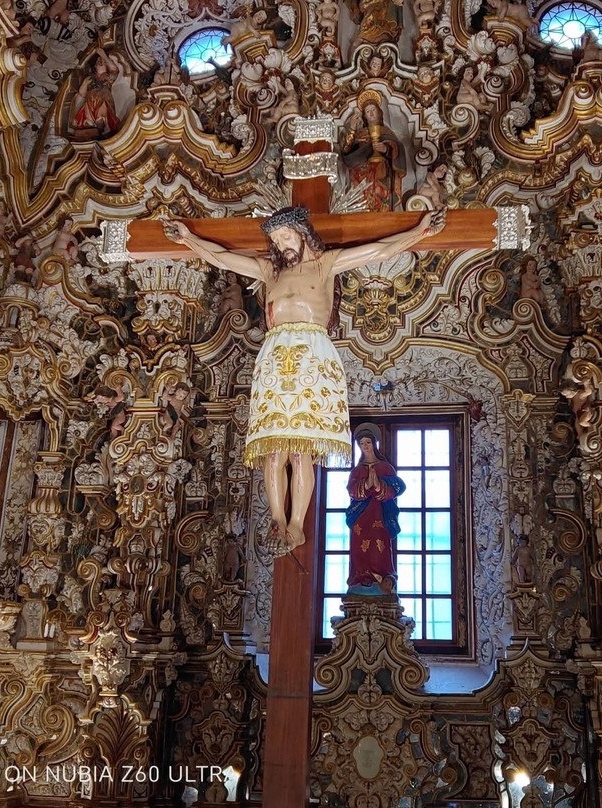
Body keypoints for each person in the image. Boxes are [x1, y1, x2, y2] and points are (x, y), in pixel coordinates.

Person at [162, 205, 445, 556]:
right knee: (273, 452)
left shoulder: (325, 264)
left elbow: (379, 250)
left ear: (303, 234)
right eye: (276, 240)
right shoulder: (269, 270)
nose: (281, 245)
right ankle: (277, 519)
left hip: (312, 358)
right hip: (275, 361)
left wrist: (419, 231)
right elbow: (222, 257)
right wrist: (188, 239)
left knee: (300, 453)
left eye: (286, 237)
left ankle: (296, 525)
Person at [346, 426, 406, 594]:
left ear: (374, 443)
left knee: (380, 546)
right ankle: (360, 578)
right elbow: (351, 491)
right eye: (361, 443)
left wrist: (379, 486)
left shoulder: (386, 468)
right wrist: (366, 485)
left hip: (380, 514)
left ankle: (383, 578)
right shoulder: (357, 471)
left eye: (368, 442)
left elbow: (396, 488)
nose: (365, 446)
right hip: (361, 516)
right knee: (359, 547)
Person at [342, 89, 405, 212]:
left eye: (373, 110)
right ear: (364, 116)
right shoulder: (360, 133)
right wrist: (352, 130)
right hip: (361, 172)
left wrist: (385, 149)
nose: (371, 114)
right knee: (361, 201)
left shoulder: (386, 132)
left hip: (381, 171)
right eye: (367, 111)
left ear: (379, 112)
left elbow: (397, 149)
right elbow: (347, 152)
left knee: (381, 196)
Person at [72, 49, 122, 138]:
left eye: (103, 61)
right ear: (95, 65)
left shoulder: (108, 77)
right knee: (89, 117)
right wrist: (84, 84)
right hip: (90, 100)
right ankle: (90, 127)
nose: (101, 61)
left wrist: (104, 56)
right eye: (98, 60)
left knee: (101, 114)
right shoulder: (90, 78)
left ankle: (101, 128)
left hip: (103, 98)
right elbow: (82, 94)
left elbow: (115, 70)